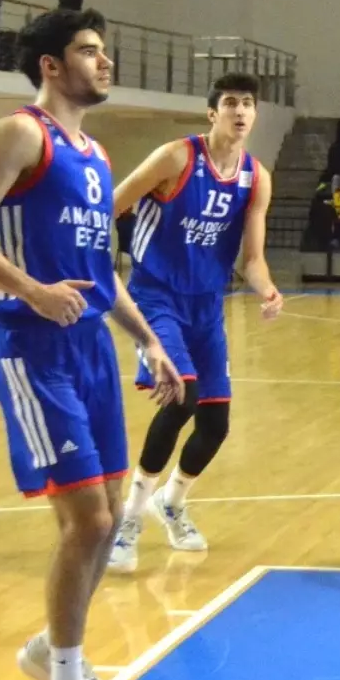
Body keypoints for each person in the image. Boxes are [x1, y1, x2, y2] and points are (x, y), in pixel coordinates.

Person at [0, 9, 184, 680]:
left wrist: (148, 340)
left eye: (104, 50)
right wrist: (32, 291)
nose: (104, 62)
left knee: (107, 522)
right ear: (50, 65)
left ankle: (57, 649)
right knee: (85, 520)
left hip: (91, 349)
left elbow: (101, 275)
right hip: (30, 345)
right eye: (88, 51)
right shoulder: (18, 134)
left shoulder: (98, 156)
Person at [107, 73, 283, 572]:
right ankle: (130, 518)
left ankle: (173, 502)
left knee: (216, 422)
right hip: (153, 295)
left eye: (248, 103)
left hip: (206, 305)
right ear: (213, 113)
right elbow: (110, 206)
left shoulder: (256, 177)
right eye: (231, 103)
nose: (241, 111)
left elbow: (251, 258)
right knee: (181, 394)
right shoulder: (175, 157)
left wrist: (266, 288)